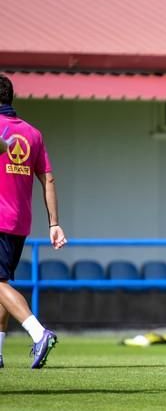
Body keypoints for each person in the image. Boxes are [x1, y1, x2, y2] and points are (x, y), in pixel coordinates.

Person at [0, 73, 67, 369]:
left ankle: (38, 333)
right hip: (20, 222)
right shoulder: (33, 133)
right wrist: (54, 223)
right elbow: (48, 178)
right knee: (2, 283)